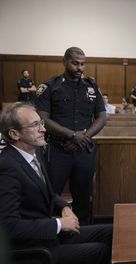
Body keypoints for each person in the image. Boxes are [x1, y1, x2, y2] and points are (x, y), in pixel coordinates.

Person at [0, 102, 112, 264]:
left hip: (48, 235)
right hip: (33, 249)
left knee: (112, 232)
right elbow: (9, 227)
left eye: (41, 123)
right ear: (15, 134)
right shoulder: (6, 168)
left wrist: (64, 207)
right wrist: (58, 224)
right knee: (101, 250)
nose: (43, 129)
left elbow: (49, 193)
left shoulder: (35, 152)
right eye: (35, 125)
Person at [36, 47, 107, 225]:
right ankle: (52, 231)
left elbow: (102, 117)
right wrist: (72, 135)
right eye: (75, 63)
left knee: (84, 195)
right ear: (65, 61)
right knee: (50, 194)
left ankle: (84, 234)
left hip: (83, 150)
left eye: (83, 64)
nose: (80, 68)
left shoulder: (91, 86)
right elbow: (42, 118)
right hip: (57, 150)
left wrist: (82, 138)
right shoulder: (50, 86)